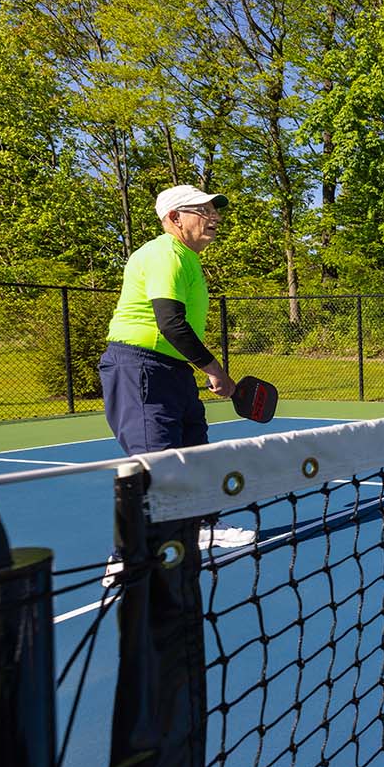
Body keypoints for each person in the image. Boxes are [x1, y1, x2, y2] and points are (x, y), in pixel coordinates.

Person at [98, 185, 256, 582]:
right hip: (141, 368)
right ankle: (125, 555)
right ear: (174, 219)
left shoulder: (186, 258)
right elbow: (170, 323)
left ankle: (200, 527)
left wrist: (199, 368)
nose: (214, 216)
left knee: (193, 449)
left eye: (214, 209)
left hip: (170, 371)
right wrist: (215, 369)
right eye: (203, 210)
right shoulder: (165, 253)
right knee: (156, 462)